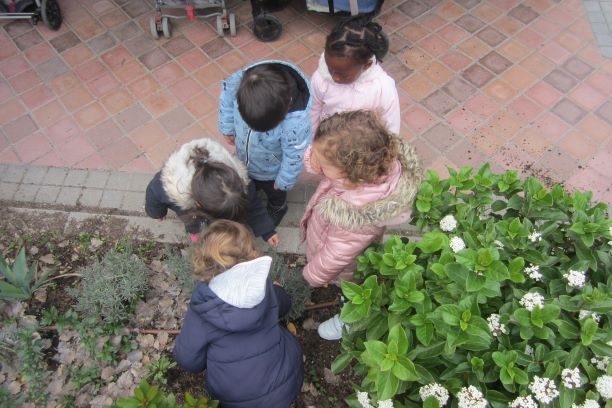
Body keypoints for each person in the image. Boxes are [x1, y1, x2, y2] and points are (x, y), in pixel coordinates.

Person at [301, 110, 421, 340]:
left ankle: (351, 319)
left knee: (351, 292)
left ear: (348, 174)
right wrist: (319, 158)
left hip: (346, 271)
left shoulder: (356, 216)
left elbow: (335, 257)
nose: (316, 164)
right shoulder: (368, 164)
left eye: (323, 164)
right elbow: (325, 158)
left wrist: (310, 276)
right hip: (332, 242)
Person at [173, 220, 304, 408]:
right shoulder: (260, 286)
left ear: (204, 262)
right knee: (284, 337)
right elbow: (284, 304)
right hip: (287, 382)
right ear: (250, 253)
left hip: (234, 400)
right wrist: (278, 290)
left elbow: (188, 360)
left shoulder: (204, 308)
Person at [219, 60, 312, 234]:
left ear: (285, 108)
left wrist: (284, 180)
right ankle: (252, 193)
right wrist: (228, 126)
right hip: (244, 156)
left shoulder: (295, 124)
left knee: (274, 191)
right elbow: (226, 100)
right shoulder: (240, 83)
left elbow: (295, 155)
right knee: (247, 181)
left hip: (272, 171)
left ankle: (278, 206)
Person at [145, 138, 279, 246]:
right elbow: (153, 195)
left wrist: (266, 231)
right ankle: (197, 232)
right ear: (198, 204)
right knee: (196, 224)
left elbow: (253, 206)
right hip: (194, 217)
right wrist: (156, 213)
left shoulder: (238, 185)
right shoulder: (168, 185)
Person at [309, 15, 400, 135]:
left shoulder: (383, 88)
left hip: (363, 148)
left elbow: (391, 125)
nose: (334, 77)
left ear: (366, 65)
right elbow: (313, 110)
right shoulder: (320, 79)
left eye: (343, 75)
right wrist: (312, 140)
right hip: (328, 143)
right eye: (330, 69)